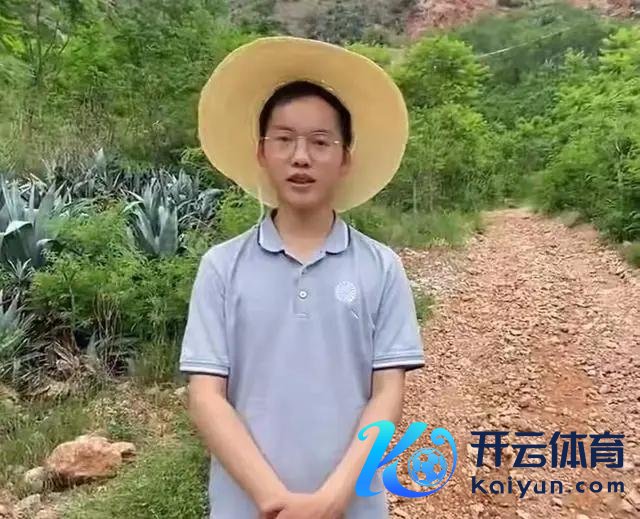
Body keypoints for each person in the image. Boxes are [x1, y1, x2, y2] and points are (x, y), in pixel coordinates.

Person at [179, 36, 426, 519]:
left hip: (352, 505)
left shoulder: (380, 267)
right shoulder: (221, 267)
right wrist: (274, 500)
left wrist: (331, 499)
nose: (300, 157)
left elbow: (387, 394)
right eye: (284, 139)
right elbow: (206, 396)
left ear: (345, 157)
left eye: (320, 142)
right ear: (261, 151)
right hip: (247, 507)